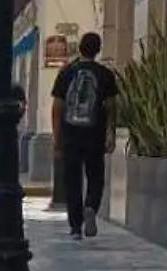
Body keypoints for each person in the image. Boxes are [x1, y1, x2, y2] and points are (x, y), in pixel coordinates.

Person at [51, 32, 120, 240]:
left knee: (72, 180)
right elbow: (111, 106)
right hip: (94, 134)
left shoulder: (66, 72)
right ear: (97, 50)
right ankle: (90, 206)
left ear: (80, 48)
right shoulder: (105, 74)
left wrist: (57, 138)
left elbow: (57, 108)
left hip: (71, 135)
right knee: (95, 176)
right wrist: (110, 132)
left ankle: (75, 226)